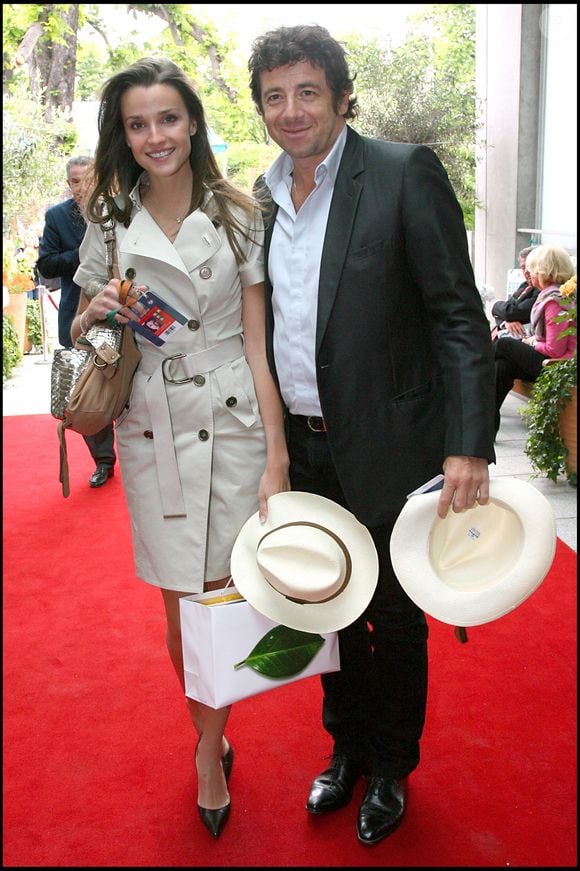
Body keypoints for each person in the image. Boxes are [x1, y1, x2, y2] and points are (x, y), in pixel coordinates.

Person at [247, 24, 496, 846]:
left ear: (343, 96)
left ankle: (392, 764)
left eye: (307, 91)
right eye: (275, 95)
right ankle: (346, 748)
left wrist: (468, 441)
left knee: (394, 614)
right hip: (307, 448)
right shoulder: (262, 195)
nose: (291, 110)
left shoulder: (400, 172)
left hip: (393, 444)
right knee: (327, 607)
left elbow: (459, 317)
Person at [70, 57, 290, 839]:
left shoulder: (239, 212)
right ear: (123, 136)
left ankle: (204, 748)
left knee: (222, 599)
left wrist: (277, 458)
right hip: (155, 423)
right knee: (180, 602)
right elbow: (80, 334)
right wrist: (95, 306)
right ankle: (213, 734)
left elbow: (260, 346)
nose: (154, 135)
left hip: (232, 421)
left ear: (192, 121)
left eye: (167, 118)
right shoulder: (106, 219)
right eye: (137, 123)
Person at [37, 155, 117, 488]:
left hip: (124, 314)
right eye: (74, 181)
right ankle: (103, 460)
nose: (81, 187)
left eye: (86, 180)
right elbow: (47, 265)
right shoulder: (57, 216)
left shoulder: (119, 211)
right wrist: (87, 256)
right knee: (90, 391)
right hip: (80, 315)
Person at [494, 245, 576, 434]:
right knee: (502, 366)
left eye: (532, 269)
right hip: (549, 362)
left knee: (504, 344)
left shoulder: (555, 300)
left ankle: (468, 377)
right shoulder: (551, 295)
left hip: (557, 367)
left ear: (544, 271)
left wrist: (530, 342)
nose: (529, 274)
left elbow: (554, 350)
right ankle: (484, 430)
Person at [490, 245, 540, 340]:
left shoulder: (540, 290)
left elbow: (512, 312)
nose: (526, 271)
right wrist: (505, 323)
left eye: (529, 267)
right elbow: (501, 312)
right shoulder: (524, 286)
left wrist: (498, 307)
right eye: (523, 267)